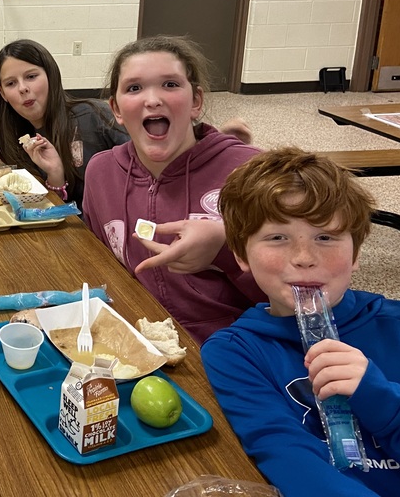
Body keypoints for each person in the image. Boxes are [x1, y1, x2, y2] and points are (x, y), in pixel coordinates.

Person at [203, 147, 400, 497]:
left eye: (325, 236)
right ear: (241, 255)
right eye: (277, 237)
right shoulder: (235, 353)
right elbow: (288, 456)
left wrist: (389, 405)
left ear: (356, 253)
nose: (304, 258)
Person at [82, 35, 264, 343]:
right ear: (116, 109)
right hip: (134, 340)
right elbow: (100, 268)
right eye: (134, 88)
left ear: (196, 101)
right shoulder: (101, 172)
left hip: (234, 347)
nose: (152, 100)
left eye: (170, 84)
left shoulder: (249, 172)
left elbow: (301, 293)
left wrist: (225, 246)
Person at [0, 39, 129, 204]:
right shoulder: (15, 141)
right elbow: (52, 207)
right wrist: (55, 173)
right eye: (11, 83)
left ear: (51, 75)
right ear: (2, 93)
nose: (22, 88)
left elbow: (144, 172)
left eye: (31, 76)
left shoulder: (94, 115)